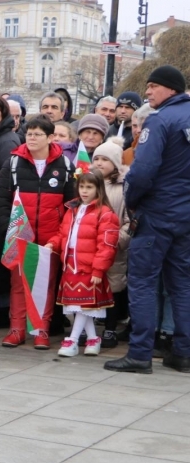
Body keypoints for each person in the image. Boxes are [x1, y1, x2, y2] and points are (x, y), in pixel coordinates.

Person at [107, 66, 190, 374]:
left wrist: (132, 202)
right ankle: (183, 353)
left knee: (142, 282)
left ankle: (140, 354)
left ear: (170, 89)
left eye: (154, 86)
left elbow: (142, 172)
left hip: (156, 214)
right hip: (185, 216)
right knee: (182, 284)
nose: (149, 92)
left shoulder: (159, 121)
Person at [0, 117, 76, 349]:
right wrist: (7, 229)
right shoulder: (13, 163)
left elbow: (72, 206)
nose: (31, 138)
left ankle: (41, 331)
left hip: (50, 239)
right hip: (20, 235)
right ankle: (16, 329)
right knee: (18, 284)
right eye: (29, 133)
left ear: (50, 138)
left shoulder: (66, 166)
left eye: (38, 134)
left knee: (45, 285)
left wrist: (59, 238)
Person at [45, 171, 118, 357]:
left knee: (83, 306)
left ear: (98, 189)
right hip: (70, 266)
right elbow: (63, 234)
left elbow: (107, 245)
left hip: (89, 268)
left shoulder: (105, 213)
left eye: (89, 187)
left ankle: (72, 340)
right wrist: (52, 243)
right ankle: (93, 339)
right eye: (82, 186)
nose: (84, 191)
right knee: (80, 306)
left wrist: (98, 269)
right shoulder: (72, 210)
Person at [89, 138, 130, 348]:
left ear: (115, 163)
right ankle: (88, 329)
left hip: (114, 248)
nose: (99, 163)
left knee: (113, 286)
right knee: (91, 286)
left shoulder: (123, 188)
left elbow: (128, 221)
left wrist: (117, 240)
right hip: (90, 247)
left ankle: (110, 329)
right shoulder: (88, 184)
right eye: (96, 158)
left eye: (105, 159)